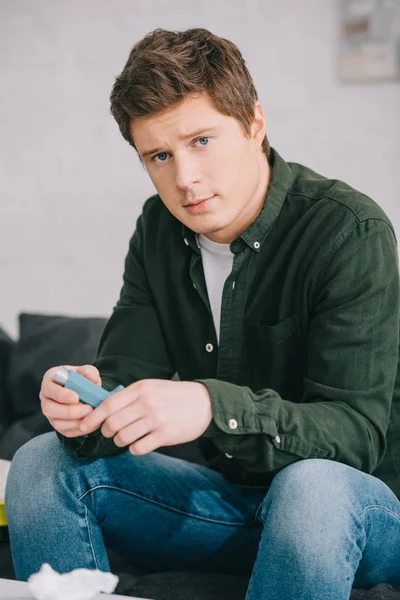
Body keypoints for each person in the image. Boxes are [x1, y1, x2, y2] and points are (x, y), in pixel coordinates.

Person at [5, 27, 400, 599]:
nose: (184, 179)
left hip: (353, 516)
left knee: (310, 490)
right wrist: (84, 402)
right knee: (42, 461)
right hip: (236, 507)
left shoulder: (348, 230)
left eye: (202, 141)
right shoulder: (159, 230)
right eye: (159, 156)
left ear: (255, 124)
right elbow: (121, 372)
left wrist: (212, 406)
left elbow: (356, 437)